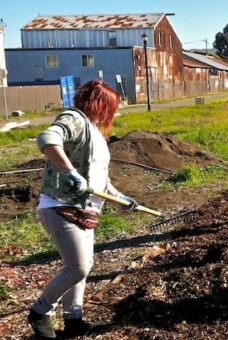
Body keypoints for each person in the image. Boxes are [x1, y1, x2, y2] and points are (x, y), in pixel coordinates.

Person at [28, 80, 139, 338]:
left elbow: (100, 179)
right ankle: (40, 311)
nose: (112, 112)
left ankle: (73, 319)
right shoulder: (74, 118)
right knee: (78, 267)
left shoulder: (94, 132)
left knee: (84, 265)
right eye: (111, 106)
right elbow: (47, 138)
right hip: (60, 206)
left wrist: (121, 197)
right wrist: (69, 172)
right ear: (99, 104)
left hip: (85, 211)